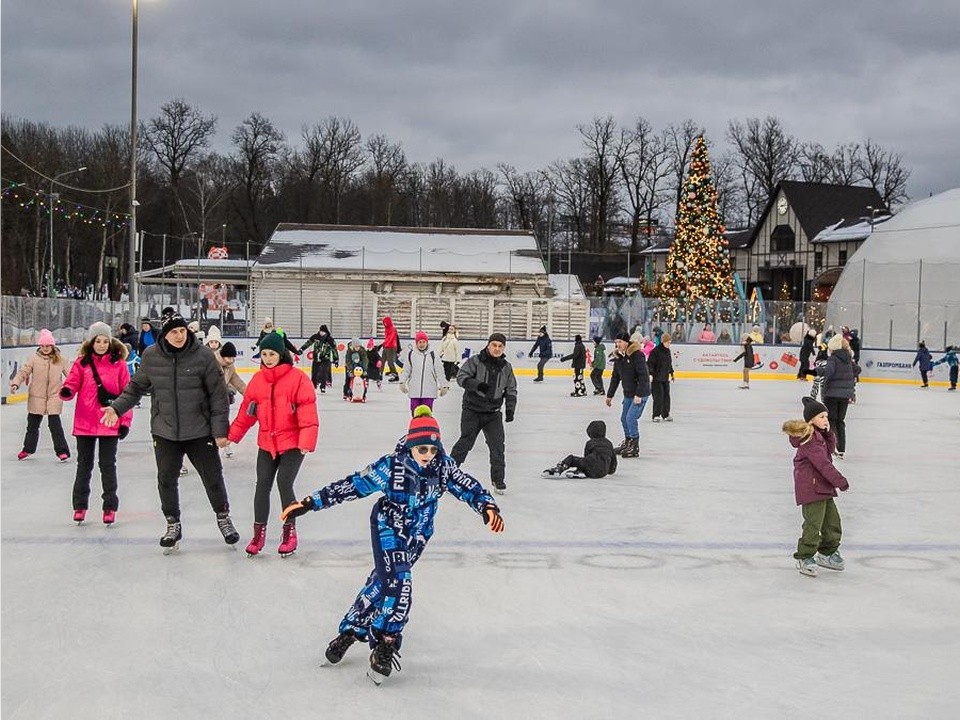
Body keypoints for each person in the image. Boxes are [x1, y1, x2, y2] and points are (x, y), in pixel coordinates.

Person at [279, 406, 504, 684]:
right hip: (388, 529)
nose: (428, 456)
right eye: (422, 450)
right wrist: (311, 502)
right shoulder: (391, 466)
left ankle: (350, 630)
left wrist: (487, 506)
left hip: (418, 535)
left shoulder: (443, 467)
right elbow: (354, 485)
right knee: (400, 583)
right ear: (411, 446)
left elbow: (467, 485)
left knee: (383, 583)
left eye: (433, 450)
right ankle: (385, 642)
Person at [102, 310, 239, 552]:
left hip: (199, 430)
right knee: (166, 480)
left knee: (213, 478)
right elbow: (135, 389)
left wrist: (220, 432)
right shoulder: (152, 356)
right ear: (165, 335)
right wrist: (116, 408)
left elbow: (218, 396)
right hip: (165, 431)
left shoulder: (203, 355)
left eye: (182, 331)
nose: (179, 336)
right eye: (174, 332)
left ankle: (223, 517)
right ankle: (172, 523)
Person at [227, 331, 318, 557]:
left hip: (293, 443)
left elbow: (308, 413)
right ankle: (258, 534)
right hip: (267, 442)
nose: (267, 358)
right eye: (264, 354)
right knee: (262, 485)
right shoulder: (258, 381)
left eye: (272, 354)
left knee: (284, 483)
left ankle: (289, 532)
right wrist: (232, 435)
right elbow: (247, 413)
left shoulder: (298, 379)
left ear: (281, 354)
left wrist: (306, 442)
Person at [59, 322, 132, 525]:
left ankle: (109, 506)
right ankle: (80, 505)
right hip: (85, 422)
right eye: (97, 341)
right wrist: (67, 391)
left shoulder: (119, 365)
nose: (101, 345)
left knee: (107, 466)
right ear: (91, 342)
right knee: (84, 465)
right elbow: (72, 382)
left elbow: (128, 395)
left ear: (111, 342)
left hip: (109, 420)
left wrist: (124, 421)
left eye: (105, 341)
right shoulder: (82, 363)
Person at [783, 396, 849, 577]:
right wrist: (840, 480)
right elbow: (823, 464)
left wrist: (828, 433)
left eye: (826, 416)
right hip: (812, 488)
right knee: (813, 524)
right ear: (810, 420)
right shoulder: (810, 440)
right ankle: (804, 557)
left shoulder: (818, 435)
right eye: (821, 417)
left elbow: (829, 451)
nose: (826, 420)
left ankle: (827, 553)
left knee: (832, 522)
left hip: (822, 486)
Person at [451, 333, 518, 493]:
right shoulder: (475, 360)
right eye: (494, 345)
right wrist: (476, 385)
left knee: (497, 446)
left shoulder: (506, 367)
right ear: (488, 345)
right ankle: (448, 474)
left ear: (503, 348)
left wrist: (510, 409)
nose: (497, 348)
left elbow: (511, 389)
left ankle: (498, 480)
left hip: (493, 413)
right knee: (465, 442)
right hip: (472, 410)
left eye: (500, 346)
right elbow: (461, 376)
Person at [10, 329, 71, 462]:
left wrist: (73, 388)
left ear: (52, 346)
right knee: (32, 425)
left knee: (55, 425)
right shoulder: (34, 358)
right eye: (42, 346)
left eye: (47, 346)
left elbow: (72, 376)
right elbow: (23, 372)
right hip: (36, 397)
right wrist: (15, 383)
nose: (45, 348)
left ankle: (62, 451)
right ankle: (28, 449)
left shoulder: (61, 360)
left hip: (54, 396)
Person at [604, 332, 651, 458]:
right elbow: (615, 378)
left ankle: (634, 446)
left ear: (626, 342)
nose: (617, 344)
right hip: (628, 393)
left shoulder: (637, 355)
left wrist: (639, 394)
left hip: (640, 393)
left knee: (630, 418)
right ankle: (628, 442)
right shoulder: (619, 358)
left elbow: (644, 376)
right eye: (616, 342)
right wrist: (610, 395)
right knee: (624, 418)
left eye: (620, 342)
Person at [819, 334, 859, 459]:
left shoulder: (833, 359)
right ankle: (841, 449)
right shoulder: (848, 359)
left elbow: (829, 372)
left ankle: (833, 446)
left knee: (831, 420)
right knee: (840, 421)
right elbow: (857, 370)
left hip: (831, 394)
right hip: (845, 396)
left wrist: (820, 371)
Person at [541, 420, 617, 479]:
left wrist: (583, 467)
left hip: (591, 470)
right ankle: (580, 471)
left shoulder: (590, 443)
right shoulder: (609, 443)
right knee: (586, 461)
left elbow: (586, 457)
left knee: (571, 458)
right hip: (603, 472)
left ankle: (559, 469)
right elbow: (613, 461)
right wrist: (609, 471)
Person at [399, 330, 449, 414]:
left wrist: (444, 385)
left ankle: (426, 427)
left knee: (427, 413)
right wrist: (402, 382)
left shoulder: (433, 355)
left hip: (429, 391)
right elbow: (406, 370)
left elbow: (439, 371)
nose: (421, 344)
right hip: (414, 390)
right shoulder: (411, 354)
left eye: (423, 342)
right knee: (414, 412)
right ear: (416, 343)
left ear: (427, 342)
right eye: (419, 342)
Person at [299, 325, 339, 392]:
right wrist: (302, 349)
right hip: (316, 358)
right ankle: (313, 385)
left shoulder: (330, 339)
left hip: (325, 358)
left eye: (323, 331)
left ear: (326, 332)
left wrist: (336, 360)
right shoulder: (316, 337)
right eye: (320, 331)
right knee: (314, 372)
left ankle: (322, 386)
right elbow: (308, 343)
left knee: (324, 372)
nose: (321, 333)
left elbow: (334, 350)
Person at [647, 332, 675, 422]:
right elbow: (650, 363)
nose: (669, 344)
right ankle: (656, 415)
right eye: (668, 342)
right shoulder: (656, 351)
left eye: (670, 342)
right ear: (663, 342)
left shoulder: (668, 351)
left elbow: (669, 363)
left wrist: (671, 373)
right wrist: (650, 374)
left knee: (666, 397)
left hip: (665, 378)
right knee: (659, 397)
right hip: (656, 378)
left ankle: (665, 414)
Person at [381, 315, 401, 381]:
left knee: (390, 362)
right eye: (384, 323)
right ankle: (379, 374)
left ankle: (395, 375)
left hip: (391, 348)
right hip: (386, 347)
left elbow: (390, 338)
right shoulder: (386, 329)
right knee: (382, 361)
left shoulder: (393, 329)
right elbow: (386, 338)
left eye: (386, 322)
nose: (385, 324)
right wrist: (383, 345)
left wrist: (383, 344)